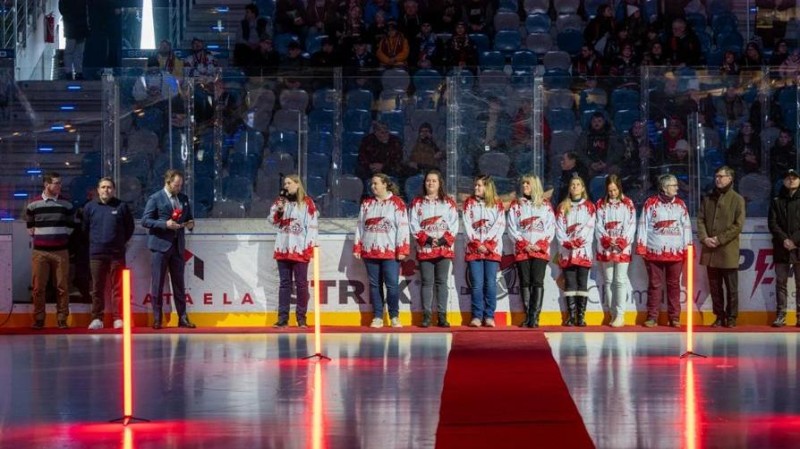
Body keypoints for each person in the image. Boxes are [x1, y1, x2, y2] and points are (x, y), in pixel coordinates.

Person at [142, 169, 196, 329]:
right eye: (176, 185)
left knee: (179, 284)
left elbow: (189, 218)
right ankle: (157, 318)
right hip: (160, 246)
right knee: (157, 283)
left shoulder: (184, 198)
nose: (179, 188)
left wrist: (190, 224)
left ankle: (183, 317)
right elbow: (146, 220)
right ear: (168, 182)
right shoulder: (155, 198)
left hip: (178, 246)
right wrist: (164, 224)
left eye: (180, 185)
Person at [353, 174, 410, 328]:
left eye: (376, 183)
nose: (373, 186)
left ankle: (394, 316)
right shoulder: (366, 204)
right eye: (371, 184)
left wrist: (402, 248)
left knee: (392, 285)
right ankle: (377, 316)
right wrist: (357, 246)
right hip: (370, 250)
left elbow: (403, 228)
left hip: (390, 252)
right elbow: (360, 226)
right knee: (374, 285)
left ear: (385, 184)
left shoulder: (397, 203)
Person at [636, 174, 692, 328]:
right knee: (654, 285)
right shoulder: (650, 203)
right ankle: (652, 317)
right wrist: (641, 246)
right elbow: (643, 225)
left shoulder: (681, 205)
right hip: (654, 252)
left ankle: (674, 317)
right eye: (673, 185)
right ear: (664, 188)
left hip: (676, 253)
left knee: (674, 285)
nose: (677, 188)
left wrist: (688, 248)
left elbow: (686, 227)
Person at [83, 177, 135, 330]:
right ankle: (97, 318)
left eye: (109, 187)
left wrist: (118, 243)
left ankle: (118, 318)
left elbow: (129, 228)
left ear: (114, 190)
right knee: (97, 288)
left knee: (118, 288)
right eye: (103, 187)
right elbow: (85, 229)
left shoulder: (122, 206)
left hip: (116, 255)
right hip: (96, 254)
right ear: (98, 190)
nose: (106, 190)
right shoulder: (90, 207)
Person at [408, 170, 458, 328]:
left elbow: (454, 224)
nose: (430, 183)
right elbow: (413, 225)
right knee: (427, 282)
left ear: (439, 183)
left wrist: (442, 240)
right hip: (425, 249)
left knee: (442, 282)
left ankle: (442, 317)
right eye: (428, 180)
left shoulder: (448, 202)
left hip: (444, 249)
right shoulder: (417, 203)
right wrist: (428, 240)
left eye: (434, 181)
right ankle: (427, 316)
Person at [698, 166, 745, 328]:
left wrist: (719, 239)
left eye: (721, 176)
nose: (718, 179)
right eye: (716, 176)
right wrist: (704, 238)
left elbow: (738, 225)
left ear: (730, 178)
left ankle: (731, 317)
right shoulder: (708, 198)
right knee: (715, 287)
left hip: (727, 251)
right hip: (710, 251)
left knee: (731, 288)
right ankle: (719, 316)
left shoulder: (737, 199)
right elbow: (701, 220)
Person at [26, 172, 75, 329]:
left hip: (61, 251)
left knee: (62, 287)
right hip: (40, 252)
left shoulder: (66, 204)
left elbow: (70, 227)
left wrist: (58, 237)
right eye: (56, 183)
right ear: (46, 185)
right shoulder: (33, 205)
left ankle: (62, 319)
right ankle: (39, 319)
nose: (59, 186)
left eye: (60, 183)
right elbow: (30, 227)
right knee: (38, 287)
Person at [269, 175, 319, 328]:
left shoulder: (307, 203)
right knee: (285, 284)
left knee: (301, 284)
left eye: (289, 183)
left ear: (297, 185)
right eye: (284, 183)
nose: (286, 186)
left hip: (300, 249)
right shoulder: (280, 201)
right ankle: (283, 318)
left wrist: (308, 248)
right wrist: (279, 211)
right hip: (283, 249)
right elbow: (272, 221)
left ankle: (301, 317)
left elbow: (313, 227)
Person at [507, 175, 555, 328]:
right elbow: (511, 227)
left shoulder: (545, 205)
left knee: (537, 282)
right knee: (525, 282)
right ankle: (528, 315)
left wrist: (540, 244)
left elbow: (550, 227)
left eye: (528, 183)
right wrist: (524, 243)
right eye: (523, 183)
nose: (525, 185)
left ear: (535, 185)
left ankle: (535, 317)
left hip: (540, 250)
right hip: (522, 250)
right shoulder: (516, 205)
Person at [463, 175, 506, 327]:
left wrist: (487, 244)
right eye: (475, 185)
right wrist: (476, 243)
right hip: (473, 250)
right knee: (476, 284)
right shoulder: (469, 203)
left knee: (490, 283)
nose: (476, 188)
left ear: (487, 187)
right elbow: (467, 224)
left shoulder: (497, 203)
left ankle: (489, 316)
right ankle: (476, 316)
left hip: (492, 251)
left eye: (480, 185)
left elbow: (500, 225)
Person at [595, 175, 636, 328]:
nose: (612, 193)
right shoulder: (601, 204)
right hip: (606, 247)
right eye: (609, 190)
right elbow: (598, 225)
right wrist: (607, 240)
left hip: (622, 248)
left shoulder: (628, 203)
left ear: (619, 188)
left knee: (620, 280)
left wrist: (620, 241)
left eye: (614, 190)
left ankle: (620, 314)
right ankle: (612, 314)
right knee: (608, 281)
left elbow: (631, 225)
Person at [555, 175, 596, 327]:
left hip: (583, 251)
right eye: (572, 184)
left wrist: (578, 241)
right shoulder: (563, 207)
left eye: (578, 184)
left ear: (583, 188)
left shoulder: (590, 207)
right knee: (570, 283)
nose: (575, 187)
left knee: (582, 283)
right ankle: (571, 316)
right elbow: (559, 228)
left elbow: (589, 227)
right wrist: (567, 242)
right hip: (567, 252)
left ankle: (581, 316)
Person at [767, 169, 800, 328]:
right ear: (784, 181)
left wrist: (793, 240)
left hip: (798, 247)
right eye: (788, 178)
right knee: (781, 283)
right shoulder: (776, 200)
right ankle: (781, 315)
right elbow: (772, 223)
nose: (791, 180)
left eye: (794, 178)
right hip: (781, 247)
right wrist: (784, 239)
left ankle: (799, 316)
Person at [59, 0, 90, 80]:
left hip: (71, 27)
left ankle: (69, 73)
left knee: (70, 52)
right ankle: (78, 72)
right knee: (78, 52)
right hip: (80, 27)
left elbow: (62, 9)